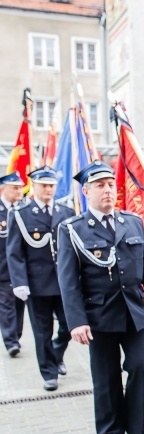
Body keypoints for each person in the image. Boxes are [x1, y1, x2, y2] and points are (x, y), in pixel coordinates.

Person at [57, 160, 144, 434]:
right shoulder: (71, 229)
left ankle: (137, 430)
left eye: (110, 185)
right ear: (86, 191)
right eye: (100, 186)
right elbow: (68, 282)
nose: (107, 191)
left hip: (134, 313)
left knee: (140, 368)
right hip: (99, 317)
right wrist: (76, 321)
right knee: (106, 378)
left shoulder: (132, 222)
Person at [6, 166, 71, 390]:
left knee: (69, 326)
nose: (48, 189)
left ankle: (56, 352)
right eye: (44, 185)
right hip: (37, 283)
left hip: (64, 282)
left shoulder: (66, 211)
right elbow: (14, 252)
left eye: (51, 185)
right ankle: (49, 372)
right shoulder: (21, 214)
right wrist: (20, 281)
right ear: (33, 186)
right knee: (42, 330)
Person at [0, 171, 26, 358]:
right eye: (15, 188)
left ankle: (16, 335)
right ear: (3, 189)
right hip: (2, 268)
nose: (19, 191)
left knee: (19, 304)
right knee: (6, 304)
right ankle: (10, 341)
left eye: (20, 187)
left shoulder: (24, 210)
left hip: (21, 269)